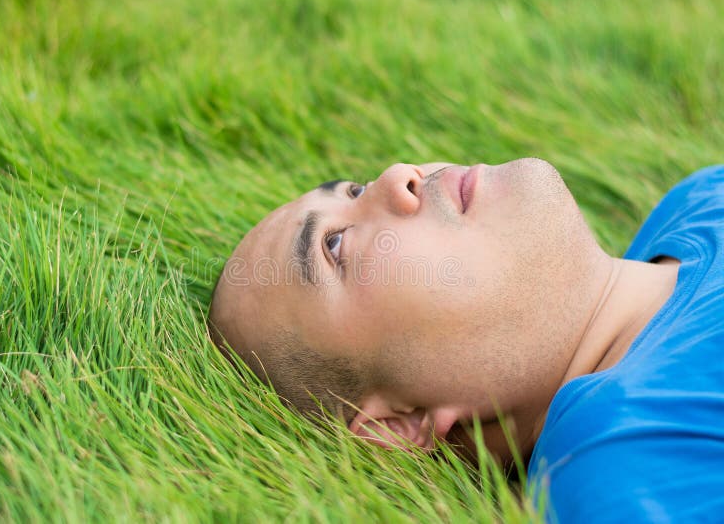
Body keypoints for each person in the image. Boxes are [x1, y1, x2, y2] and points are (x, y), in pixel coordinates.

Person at [208, 158, 724, 522]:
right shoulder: (626, 462)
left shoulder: (698, 201)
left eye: (355, 190)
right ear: (398, 426)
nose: (396, 175)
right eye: (335, 246)